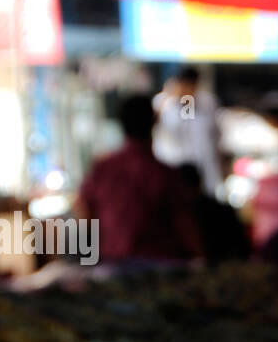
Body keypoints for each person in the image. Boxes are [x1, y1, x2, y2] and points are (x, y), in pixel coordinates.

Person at [75, 95, 203, 263]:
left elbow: (84, 213)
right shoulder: (164, 174)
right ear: (154, 123)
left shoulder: (102, 169)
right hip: (160, 269)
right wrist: (201, 259)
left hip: (111, 265)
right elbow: (184, 226)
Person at [153, 66, 224, 197]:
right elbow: (154, 122)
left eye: (191, 86)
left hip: (202, 170)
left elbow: (216, 136)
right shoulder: (164, 103)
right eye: (184, 85)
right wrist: (169, 96)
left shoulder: (207, 102)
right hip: (173, 167)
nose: (187, 90)